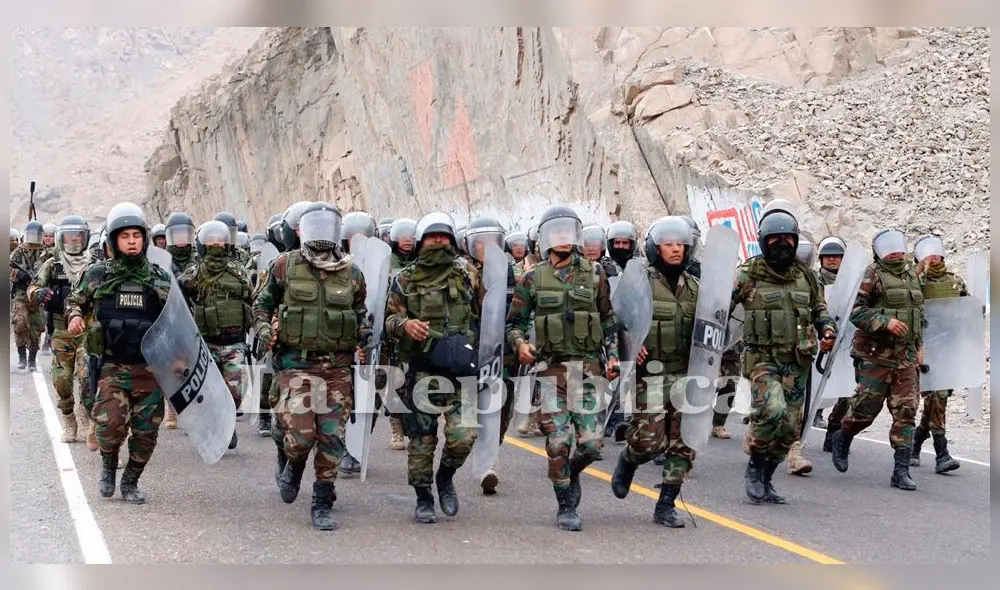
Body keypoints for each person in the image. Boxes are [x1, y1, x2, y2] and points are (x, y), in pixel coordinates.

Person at [253, 202, 369, 531]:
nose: (321, 233)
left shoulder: (352, 273)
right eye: (313, 225)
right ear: (300, 230)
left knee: (332, 438)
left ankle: (322, 500)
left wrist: (366, 338)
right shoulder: (284, 266)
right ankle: (289, 458)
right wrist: (264, 330)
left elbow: (361, 315)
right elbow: (261, 306)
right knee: (301, 438)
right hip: (295, 366)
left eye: (328, 226)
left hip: (337, 370)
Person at [506, 205, 619, 531]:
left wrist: (612, 357)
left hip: (588, 371)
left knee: (591, 445)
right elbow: (514, 324)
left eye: (568, 232)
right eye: (556, 233)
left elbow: (608, 321)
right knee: (558, 441)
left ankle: (569, 472)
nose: (563, 238)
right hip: (551, 370)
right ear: (545, 238)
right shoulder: (532, 278)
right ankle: (565, 503)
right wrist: (520, 345)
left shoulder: (596, 274)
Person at [65, 202, 172, 504]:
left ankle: (130, 481)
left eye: (136, 235)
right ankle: (109, 466)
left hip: (149, 370)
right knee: (109, 425)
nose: (131, 241)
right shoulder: (98, 274)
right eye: (124, 236)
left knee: (146, 434)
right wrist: (74, 316)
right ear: (114, 241)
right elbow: (75, 301)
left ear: (144, 239)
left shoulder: (159, 277)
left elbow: (179, 319)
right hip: (112, 366)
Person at [731, 210, 836, 503]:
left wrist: (827, 329)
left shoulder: (807, 278)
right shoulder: (747, 275)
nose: (782, 243)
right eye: (775, 238)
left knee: (790, 427)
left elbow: (820, 311)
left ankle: (767, 477)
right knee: (772, 410)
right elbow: (718, 310)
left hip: (798, 361)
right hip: (762, 360)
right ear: (764, 241)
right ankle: (754, 468)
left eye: (787, 238)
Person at [385, 212, 480, 524]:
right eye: (432, 236)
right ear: (421, 241)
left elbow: (485, 314)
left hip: (461, 371)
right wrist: (405, 324)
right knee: (422, 442)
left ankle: (446, 477)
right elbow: (388, 321)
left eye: (443, 236)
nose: (438, 241)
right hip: (423, 372)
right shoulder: (405, 280)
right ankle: (424, 496)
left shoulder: (467, 273)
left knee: (463, 437)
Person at [610, 216, 699, 528]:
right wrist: (633, 341)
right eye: (669, 245)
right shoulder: (640, 281)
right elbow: (618, 319)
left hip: (687, 374)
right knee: (650, 443)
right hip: (651, 375)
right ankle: (630, 458)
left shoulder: (695, 288)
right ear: (655, 248)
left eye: (680, 245)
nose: (676, 250)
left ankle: (666, 504)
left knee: (683, 442)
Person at [831, 228, 924, 491]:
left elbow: (919, 314)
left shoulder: (911, 276)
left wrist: (920, 345)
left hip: (905, 357)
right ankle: (844, 435)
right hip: (875, 356)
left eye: (898, 246)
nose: (895, 251)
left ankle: (901, 471)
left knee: (906, 409)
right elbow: (856, 311)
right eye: (889, 248)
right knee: (865, 409)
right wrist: (884, 322)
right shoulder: (872, 275)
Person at [177, 221, 254, 451]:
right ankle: (214, 427)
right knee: (206, 392)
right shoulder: (194, 272)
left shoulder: (238, 271)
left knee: (236, 391)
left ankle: (227, 424)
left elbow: (251, 297)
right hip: (205, 344)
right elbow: (178, 297)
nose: (216, 246)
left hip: (234, 343)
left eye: (220, 241)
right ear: (202, 245)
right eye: (210, 242)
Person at [27, 216, 94, 445]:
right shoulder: (52, 265)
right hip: (61, 329)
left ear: (85, 238)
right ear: (61, 238)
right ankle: (69, 419)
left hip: (87, 329)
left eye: (78, 235)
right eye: (69, 236)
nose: (74, 240)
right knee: (62, 379)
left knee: (87, 376)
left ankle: (86, 417)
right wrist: (37, 294)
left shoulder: (94, 264)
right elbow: (33, 286)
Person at [463, 216, 517, 495]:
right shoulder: (461, 274)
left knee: (502, 412)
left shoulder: (515, 274)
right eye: (480, 242)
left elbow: (523, 314)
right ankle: (483, 459)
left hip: (505, 356)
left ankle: (489, 459)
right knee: (474, 412)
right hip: (471, 355)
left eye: (492, 241)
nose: (487, 247)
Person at [909, 236, 962, 474]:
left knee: (937, 399)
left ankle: (916, 443)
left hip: (946, 349)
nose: (932, 257)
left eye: (935, 253)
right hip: (922, 349)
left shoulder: (955, 282)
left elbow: (965, 312)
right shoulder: (911, 281)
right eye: (927, 253)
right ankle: (942, 453)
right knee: (933, 399)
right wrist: (918, 274)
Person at [384, 218, 418, 450]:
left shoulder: (422, 264)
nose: (408, 240)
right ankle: (396, 428)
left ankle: (414, 426)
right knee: (394, 383)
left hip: (416, 329)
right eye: (403, 236)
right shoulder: (385, 262)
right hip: (393, 330)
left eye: (411, 236)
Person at [815, 236, 848, 451]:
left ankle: (833, 432)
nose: (832, 260)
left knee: (846, 391)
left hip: (845, 342)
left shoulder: (852, 282)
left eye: (837, 256)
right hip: (819, 341)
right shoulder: (813, 281)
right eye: (828, 256)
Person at [11, 220, 50, 371]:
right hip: (21, 293)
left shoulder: (45, 252)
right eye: (31, 235)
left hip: (37, 295)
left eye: (36, 235)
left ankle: (32, 359)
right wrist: (17, 274)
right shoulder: (20, 251)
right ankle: (21, 357)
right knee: (20, 322)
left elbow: (51, 269)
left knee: (37, 328)